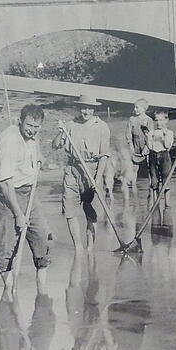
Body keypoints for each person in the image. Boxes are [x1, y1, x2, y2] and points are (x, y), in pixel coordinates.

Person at [0, 105, 51, 297]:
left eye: (36, 126)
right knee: (7, 244)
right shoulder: (9, 142)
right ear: (20, 121)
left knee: (41, 234)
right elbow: (5, 184)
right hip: (8, 196)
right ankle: (9, 291)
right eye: (29, 125)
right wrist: (18, 214)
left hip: (29, 193)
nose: (32, 130)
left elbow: (35, 148)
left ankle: (42, 291)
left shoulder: (33, 136)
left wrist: (40, 158)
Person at [52, 94, 110, 251]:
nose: (86, 111)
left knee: (91, 210)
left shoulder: (102, 126)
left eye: (89, 108)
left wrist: (97, 178)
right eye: (83, 107)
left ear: (94, 109)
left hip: (92, 169)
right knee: (69, 210)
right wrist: (60, 131)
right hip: (73, 170)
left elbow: (104, 155)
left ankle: (90, 249)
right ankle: (78, 248)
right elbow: (55, 145)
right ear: (78, 108)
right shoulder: (71, 124)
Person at [125, 98, 153, 196]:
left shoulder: (149, 120)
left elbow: (151, 134)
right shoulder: (132, 119)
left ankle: (151, 186)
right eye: (134, 107)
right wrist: (131, 145)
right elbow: (128, 133)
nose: (135, 109)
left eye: (137, 107)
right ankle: (133, 186)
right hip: (135, 143)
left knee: (149, 166)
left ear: (144, 109)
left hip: (146, 144)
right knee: (134, 167)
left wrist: (147, 146)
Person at [146, 109, 174, 204]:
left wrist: (164, 134)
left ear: (166, 120)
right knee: (154, 180)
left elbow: (167, 146)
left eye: (161, 120)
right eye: (156, 120)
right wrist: (149, 137)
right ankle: (155, 203)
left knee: (166, 181)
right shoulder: (151, 133)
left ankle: (167, 204)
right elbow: (150, 146)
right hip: (153, 156)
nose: (158, 123)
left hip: (164, 156)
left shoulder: (169, 133)